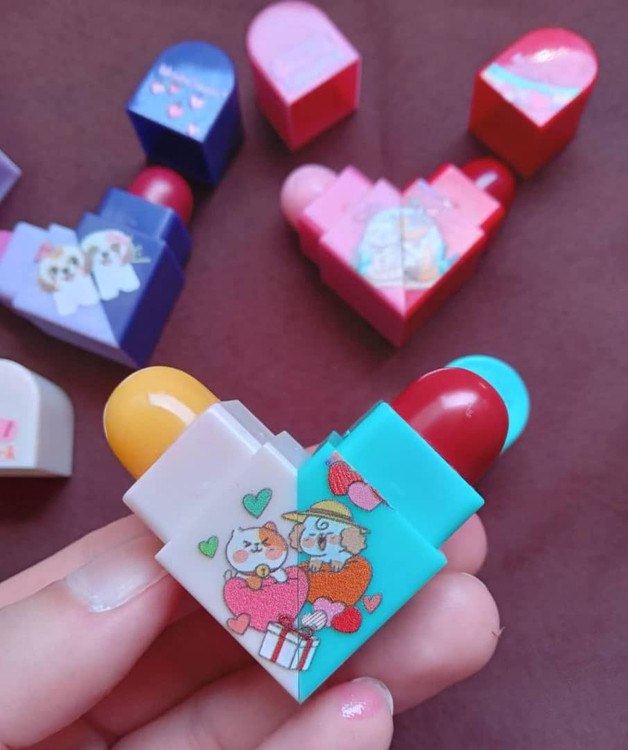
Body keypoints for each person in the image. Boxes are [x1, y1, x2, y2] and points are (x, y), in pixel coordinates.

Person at [0, 510, 496, 749]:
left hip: (314, 630)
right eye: (311, 531)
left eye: (327, 533)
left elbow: (339, 592)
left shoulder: (349, 568)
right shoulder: (282, 569)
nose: (316, 539)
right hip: (275, 632)